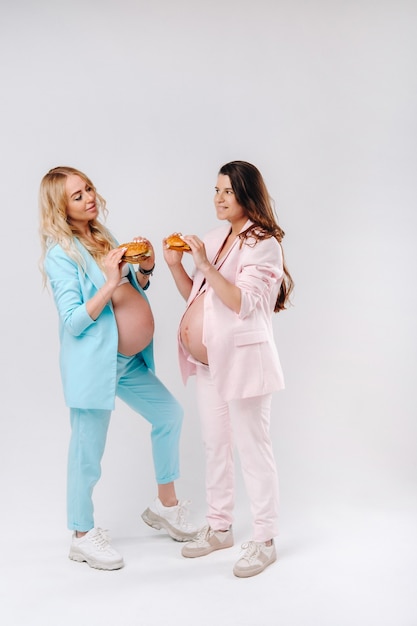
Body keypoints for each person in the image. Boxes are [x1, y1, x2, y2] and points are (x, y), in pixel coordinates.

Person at [39, 166, 196, 571]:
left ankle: (165, 506)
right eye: (77, 196)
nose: (88, 197)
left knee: (169, 414)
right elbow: (74, 320)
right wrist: (110, 281)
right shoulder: (60, 254)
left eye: (88, 188)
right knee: (87, 451)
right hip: (96, 363)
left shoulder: (102, 235)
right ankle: (81, 534)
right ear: (60, 207)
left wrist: (144, 269)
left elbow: (132, 288)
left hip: (127, 362)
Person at [163, 160, 293, 578]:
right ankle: (220, 526)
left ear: (246, 194)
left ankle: (266, 538)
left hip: (244, 365)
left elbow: (243, 302)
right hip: (207, 365)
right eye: (215, 191)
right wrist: (175, 267)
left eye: (227, 192)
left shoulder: (264, 241)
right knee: (215, 445)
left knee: (253, 449)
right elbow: (198, 300)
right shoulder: (216, 236)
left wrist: (204, 265)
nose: (218, 199)